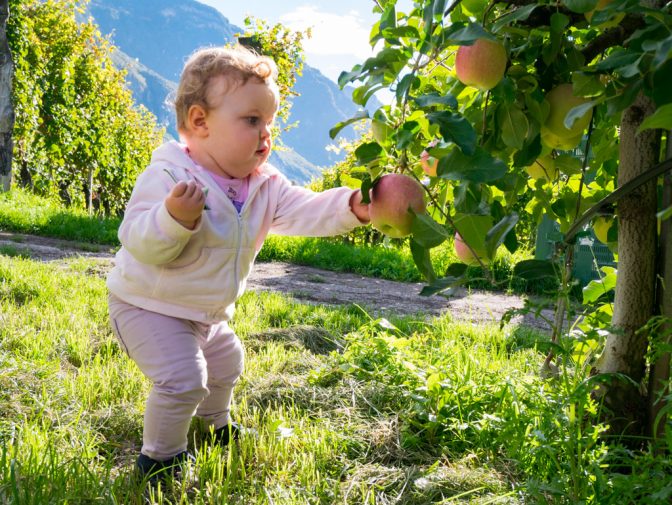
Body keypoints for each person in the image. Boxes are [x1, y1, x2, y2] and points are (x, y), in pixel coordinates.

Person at [106, 44, 370, 481]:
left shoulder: (262, 186)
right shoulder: (170, 177)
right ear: (199, 122)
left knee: (228, 362)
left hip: (205, 312)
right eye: (252, 120)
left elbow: (308, 209)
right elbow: (138, 241)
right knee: (183, 379)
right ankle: (160, 459)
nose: (266, 134)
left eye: (269, 123)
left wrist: (355, 205)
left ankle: (216, 424)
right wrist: (174, 219)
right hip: (147, 305)